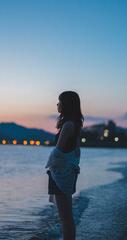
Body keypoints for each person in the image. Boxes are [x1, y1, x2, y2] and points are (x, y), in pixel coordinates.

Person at [45, 91, 84, 240]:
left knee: (65, 218)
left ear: (67, 104)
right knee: (67, 217)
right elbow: (76, 150)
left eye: (60, 101)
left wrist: (50, 164)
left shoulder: (68, 125)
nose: (57, 104)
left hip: (62, 173)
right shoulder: (74, 124)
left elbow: (58, 151)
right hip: (68, 172)